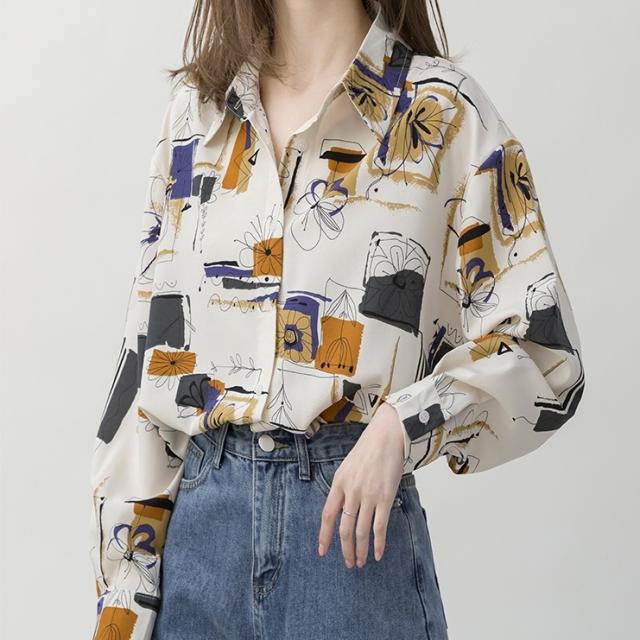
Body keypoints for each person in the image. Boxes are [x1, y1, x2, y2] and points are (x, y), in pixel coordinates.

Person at [88, 0, 586, 638]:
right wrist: (122, 606)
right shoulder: (197, 115)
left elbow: (544, 354)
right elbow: (147, 373)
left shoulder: (443, 114)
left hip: (352, 550)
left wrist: (403, 424)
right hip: (197, 547)